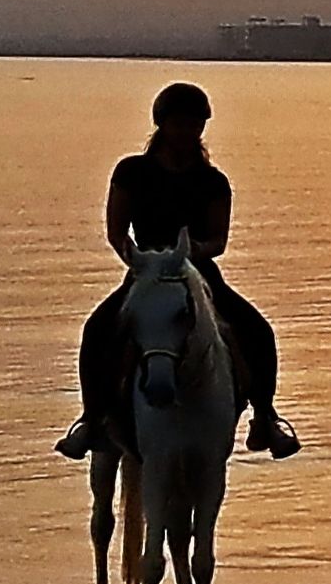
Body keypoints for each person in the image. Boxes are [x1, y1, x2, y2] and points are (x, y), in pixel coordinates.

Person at [56, 82, 298, 461]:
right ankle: (92, 419)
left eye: (194, 125)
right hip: (146, 273)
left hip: (199, 273)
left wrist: (189, 254)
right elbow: (116, 231)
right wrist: (143, 263)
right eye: (180, 123)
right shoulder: (132, 172)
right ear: (162, 125)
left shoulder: (213, 181)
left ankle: (265, 417)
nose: (187, 132)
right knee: (98, 329)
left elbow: (218, 239)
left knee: (256, 330)